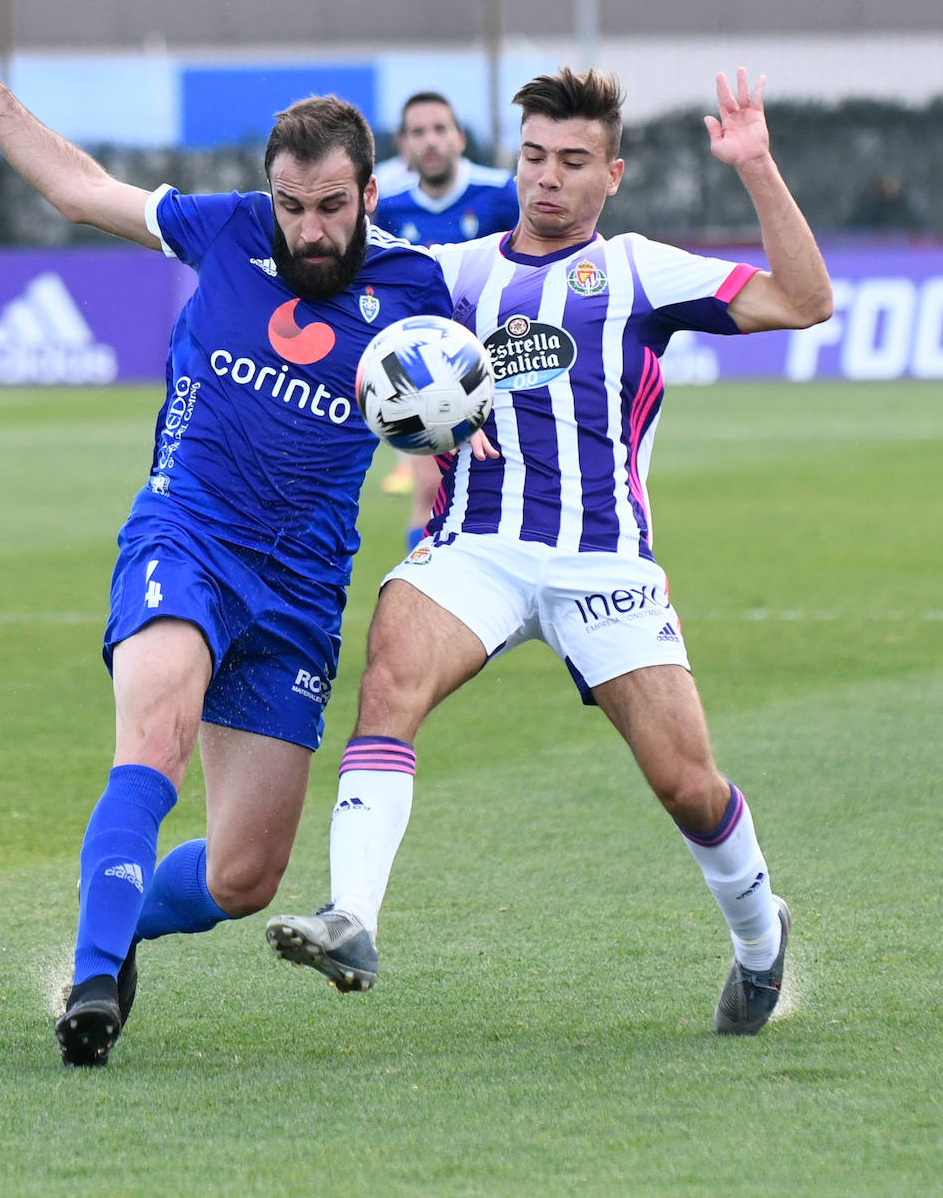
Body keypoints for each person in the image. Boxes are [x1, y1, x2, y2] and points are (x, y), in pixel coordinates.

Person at [0, 0, 455, 1067]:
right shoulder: (224, 230)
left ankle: (128, 931)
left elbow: (455, 405)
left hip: (302, 590)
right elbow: (79, 190)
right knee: (152, 742)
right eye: (293, 204)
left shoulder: (415, 290)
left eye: (331, 208)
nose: (309, 229)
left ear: (368, 194)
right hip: (188, 536)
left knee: (244, 875)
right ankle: (90, 980)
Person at [267, 67, 834, 1036]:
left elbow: (806, 299)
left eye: (574, 162)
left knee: (686, 783)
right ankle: (353, 917)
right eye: (534, 156)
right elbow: (330, 270)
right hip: (477, 548)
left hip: (604, 561)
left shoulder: (641, 271)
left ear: (612, 173)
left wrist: (757, 167)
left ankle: (758, 937)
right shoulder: (452, 271)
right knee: (389, 675)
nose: (548, 179)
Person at [374, 92, 519, 546]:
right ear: (403, 144)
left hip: (501, 361)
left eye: (440, 129)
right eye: (418, 132)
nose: (430, 141)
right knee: (430, 485)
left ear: (459, 138)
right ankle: (422, 587)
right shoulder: (387, 207)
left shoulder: (502, 194)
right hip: (424, 369)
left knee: (509, 483)